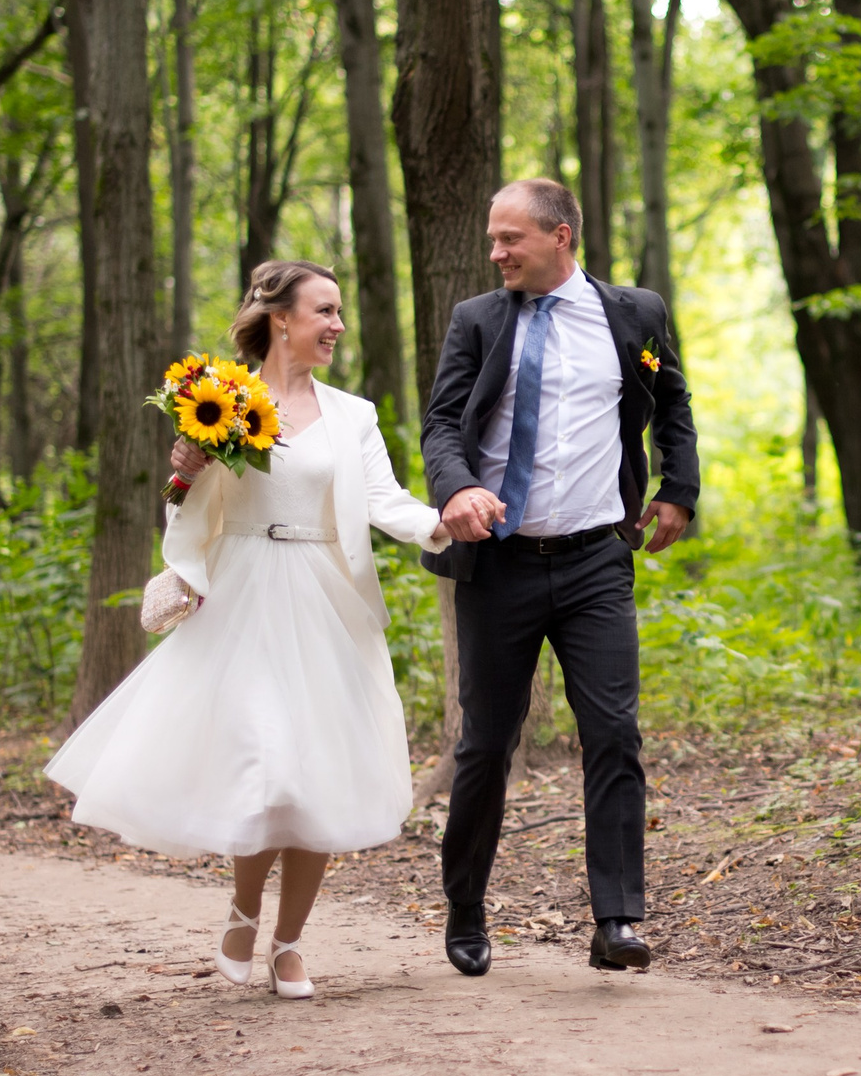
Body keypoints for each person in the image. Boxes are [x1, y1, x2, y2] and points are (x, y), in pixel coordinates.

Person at [47, 261, 448, 1000]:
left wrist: (439, 524)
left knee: (316, 770)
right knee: (267, 763)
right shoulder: (220, 402)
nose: (337, 325)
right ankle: (243, 906)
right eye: (324, 311)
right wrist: (185, 474)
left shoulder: (351, 414)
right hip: (244, 594)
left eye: (339, 313)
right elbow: (191, 508)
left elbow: (384, 499)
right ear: (280, 318)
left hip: (325, 598)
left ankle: (289, 943)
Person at [423, 178, 698, 976]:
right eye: (492, 240)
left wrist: (679, 488)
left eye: (511, 238)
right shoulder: (477, 320)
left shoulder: (635, 314)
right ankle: (466, 904)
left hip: (595, 563)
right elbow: (442, 421)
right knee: (486, 745)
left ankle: (616, 919)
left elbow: (671, 401)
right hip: (498, 564)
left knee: (613, 732)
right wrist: (456, 487)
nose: (496, 252)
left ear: (562, 236)